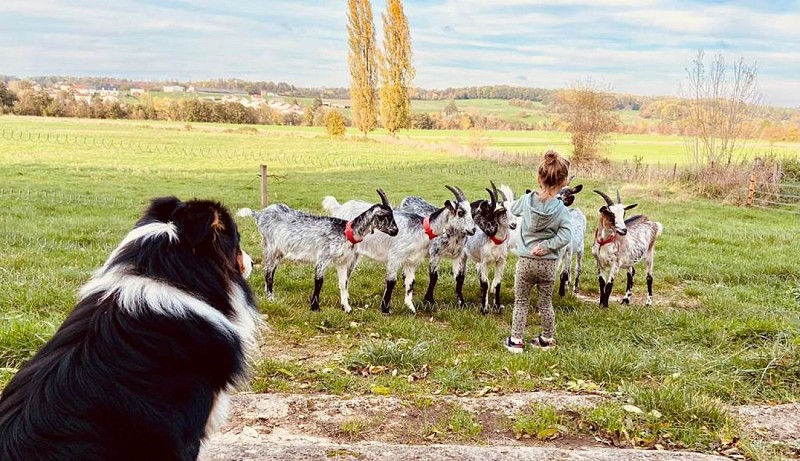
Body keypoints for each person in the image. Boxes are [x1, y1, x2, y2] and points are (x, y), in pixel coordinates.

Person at [504, 150, 572, 353]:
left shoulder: (526, 200)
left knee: (521, 302)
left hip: (525, 261)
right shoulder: (561, 210)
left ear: (538, 177)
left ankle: (516, 341)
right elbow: (566, 236)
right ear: (564, 182)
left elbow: (513, 210)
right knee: (545, 304)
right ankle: (546, 339)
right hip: (548, 264)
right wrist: (547, 245)